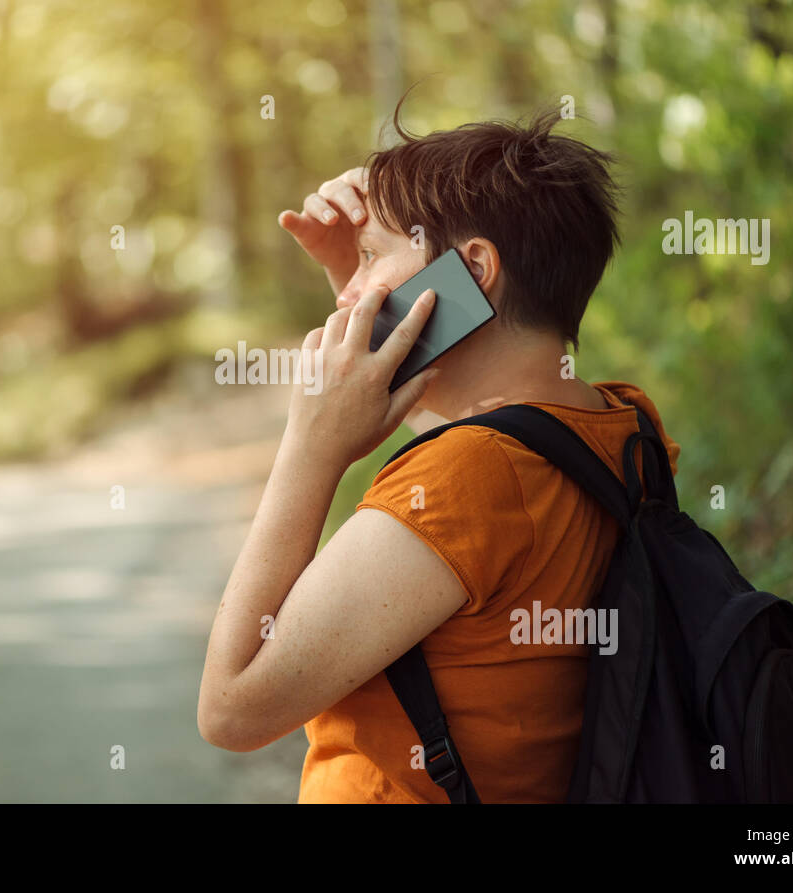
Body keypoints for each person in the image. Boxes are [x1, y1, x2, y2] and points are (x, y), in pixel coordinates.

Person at [197, 103, 681, 802]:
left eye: (372, 254)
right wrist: (359, 286)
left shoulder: (470, 480)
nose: (350, 297)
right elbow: (480, 481)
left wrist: (308, 445)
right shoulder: (625, 424)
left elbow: (231, 708)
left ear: (472, 270)